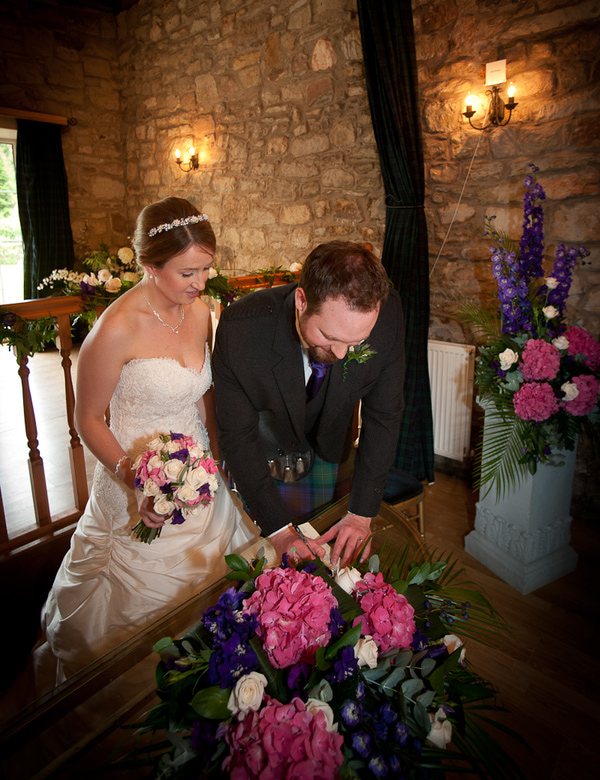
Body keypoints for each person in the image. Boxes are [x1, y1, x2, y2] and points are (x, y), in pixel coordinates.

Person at [35, 197, 258, 684]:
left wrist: (220, 455)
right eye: (187, 273)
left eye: (206, 269)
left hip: (199, 475)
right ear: (149, 266)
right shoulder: (115, 329)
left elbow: (202, 393)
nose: (200, 283)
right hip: (133, 476)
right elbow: (87, 419)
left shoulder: (200, 313)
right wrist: (135, 479)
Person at [212, 240, 405, 568]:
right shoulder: (241, 329)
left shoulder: (387, 315)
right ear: (302, 301)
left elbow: (384, 415)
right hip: (264, 457)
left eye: (356, 342)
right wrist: (279, 531)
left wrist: (361, 514)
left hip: (332, 449)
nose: (341, 354)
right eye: (330, 337)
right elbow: (237, 437)